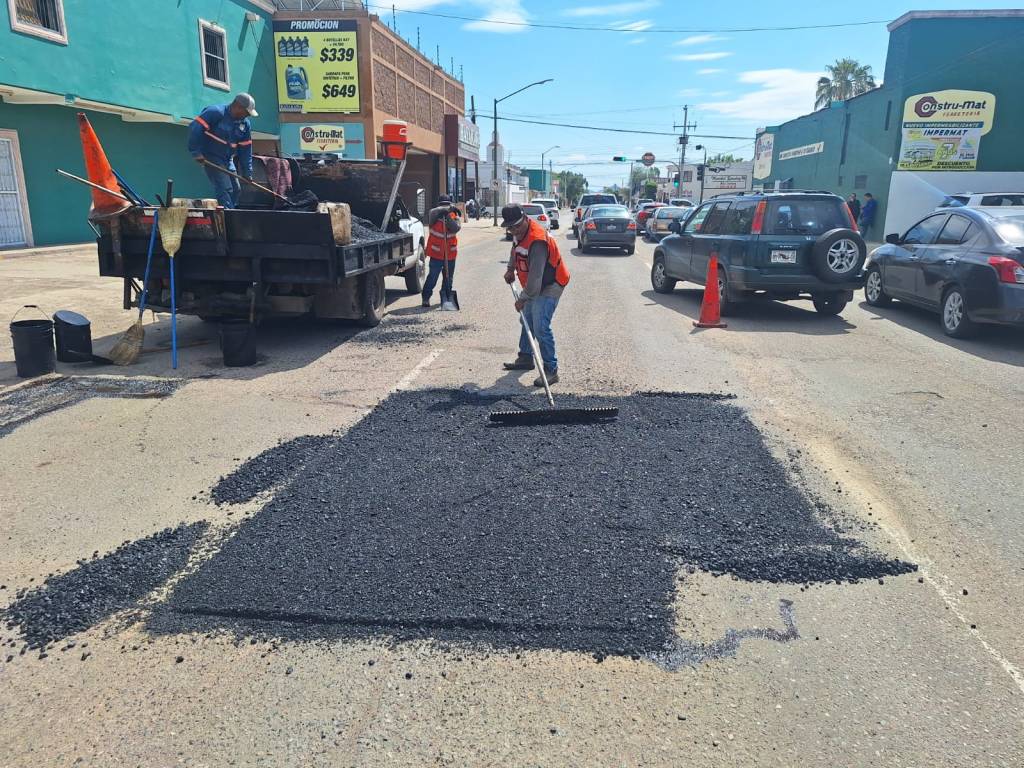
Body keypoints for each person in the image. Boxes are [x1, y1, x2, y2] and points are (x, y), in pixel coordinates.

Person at [501, 204, 570, 386]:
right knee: (527, 319)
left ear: (524, 218)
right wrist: (510, 268)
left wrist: (523, 298)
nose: (514, 231)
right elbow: (515, 250)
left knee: (540, 326)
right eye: (510, 228)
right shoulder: (518, 234)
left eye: (516, 226)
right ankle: (525, 357)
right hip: (534, 284)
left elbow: (536, 277)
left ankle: (551, 370)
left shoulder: (537, 240)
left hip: (551, 283)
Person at [188, 93, 257, 208]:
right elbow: (195, 128)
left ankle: (231, 211)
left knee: (236, 189)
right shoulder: (215, 112)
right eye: (246, 113)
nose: (247, 116)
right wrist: (195, 151)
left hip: (227, 159)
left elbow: (246, 150)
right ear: (237, 106)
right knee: (225, 188)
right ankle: (229, 216)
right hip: (211, 156)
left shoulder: (245, 124)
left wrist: (247, 172)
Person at [422, 195, 461, 308]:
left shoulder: (455, 216)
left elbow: (455, 228)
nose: (445, 207)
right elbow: (432, 211)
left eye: (447, 205)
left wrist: (448, 215)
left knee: (448, 278)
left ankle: (446, 298)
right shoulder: (433, 215)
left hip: (450, 253)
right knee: (433, 277)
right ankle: (425, 298)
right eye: (443, 205)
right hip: (436, 253)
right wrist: (445, 210)